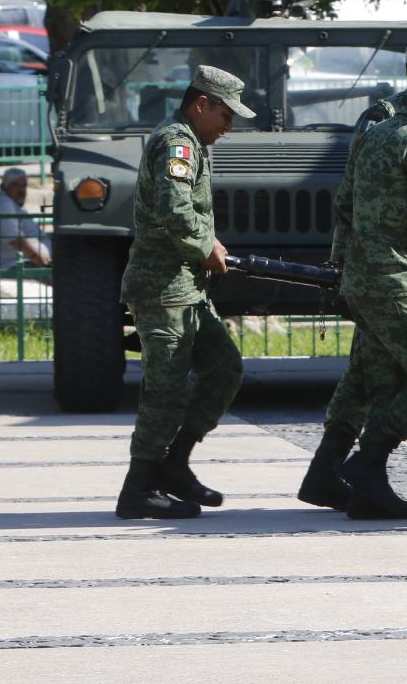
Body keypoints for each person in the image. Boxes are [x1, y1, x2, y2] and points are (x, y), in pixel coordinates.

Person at [298, 34, 407, 511]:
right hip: (397, 270)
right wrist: (343, 264)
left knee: (371, 375)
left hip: (392, 271)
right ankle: (366, 464)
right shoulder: (392, 123)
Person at [115, 66, 249, 520]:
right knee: (165, 390)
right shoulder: (178, 142)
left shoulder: (193, 143)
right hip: (162, 288)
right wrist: (206, 244)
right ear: (200, 105)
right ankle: (138, 488)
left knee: (224, 368)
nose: (228, 127)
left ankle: (174, 464)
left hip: (186, 287)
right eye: (225, 116)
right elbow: (175, 210)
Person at [0, 168, 51, 271]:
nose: (21, 190)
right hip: (5, 268)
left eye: (24, 186)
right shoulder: (1, 203)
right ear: (4, 187)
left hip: (19, 264)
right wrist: (40, 261)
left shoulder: (13, 205)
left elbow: (32, 231)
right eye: (16, 186)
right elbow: (15, 240)